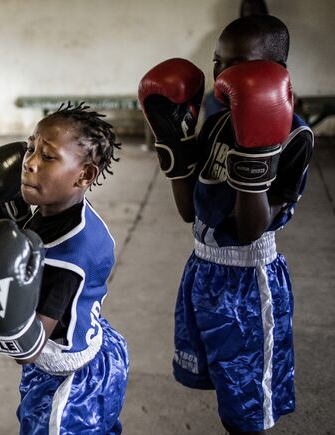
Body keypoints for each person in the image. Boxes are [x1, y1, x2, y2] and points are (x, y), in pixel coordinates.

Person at [138, 14, 314, 435]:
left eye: (239, 65)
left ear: (277, 73)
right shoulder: (217, 123)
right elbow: (188, 211)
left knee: (247, 403)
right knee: (221, 382)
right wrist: (175, 147)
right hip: (203, 268)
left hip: (250, 281)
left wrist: (258, 154)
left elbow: (253, 228)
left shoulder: (294, 135)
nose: (223, 75)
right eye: (219, 63)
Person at [0, 104, 129, 434]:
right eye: (31, 147)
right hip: (98, 342)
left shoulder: (66, 260)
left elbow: (29, 346)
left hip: (69, 383)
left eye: (48, 156)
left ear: (84, 175)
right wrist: (5, 216)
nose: (30, 162)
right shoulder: (63, 208)